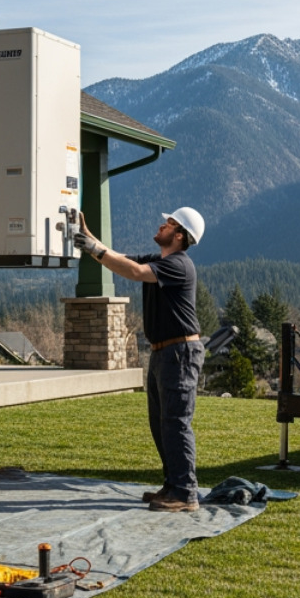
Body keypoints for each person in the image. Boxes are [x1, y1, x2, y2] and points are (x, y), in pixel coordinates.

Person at [75, 207, 206, 512]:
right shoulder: (159, 260)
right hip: (164, 352)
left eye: (169, 223)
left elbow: (134, 272)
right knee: (161, 424)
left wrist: (92, 247)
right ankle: (172, 485)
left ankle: (185, 493)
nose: (161, 225)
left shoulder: (179, 265)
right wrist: (86, 235)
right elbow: (118, 258)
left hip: (180, 353)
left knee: (176, 423)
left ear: (179, 235)